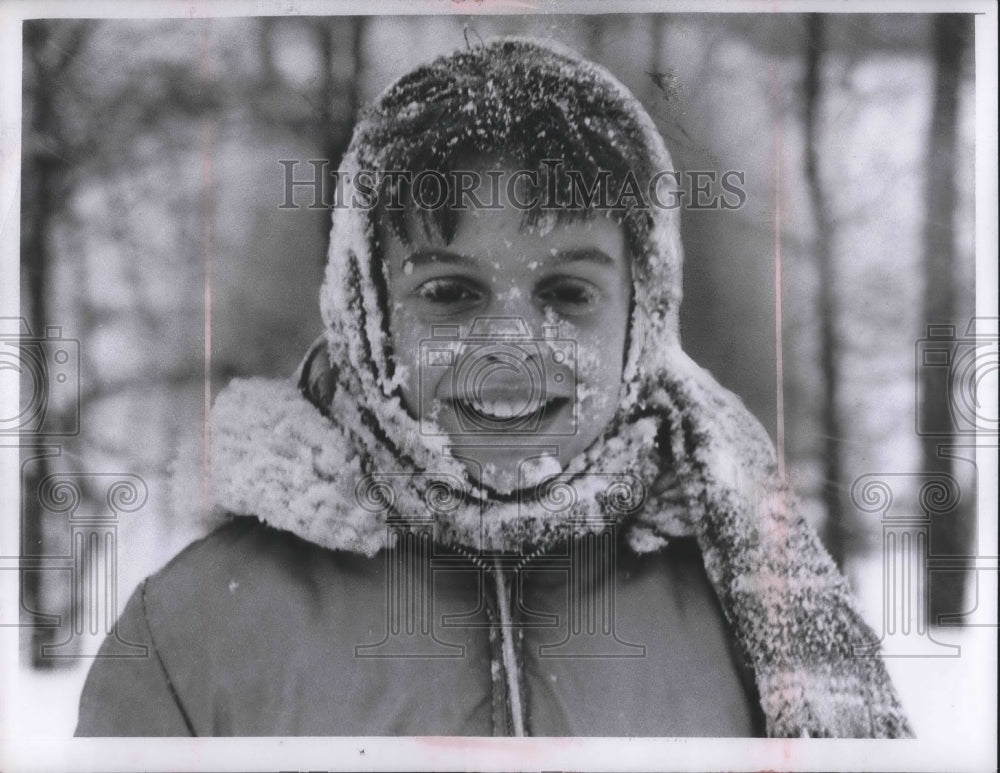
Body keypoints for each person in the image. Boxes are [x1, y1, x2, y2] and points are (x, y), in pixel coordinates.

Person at [75, 37, 911, 738]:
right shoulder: (188, 641)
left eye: (567, 294)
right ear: (369, 312)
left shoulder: (755, 605)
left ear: (642, 316)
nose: (511, 350)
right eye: (450, 292)